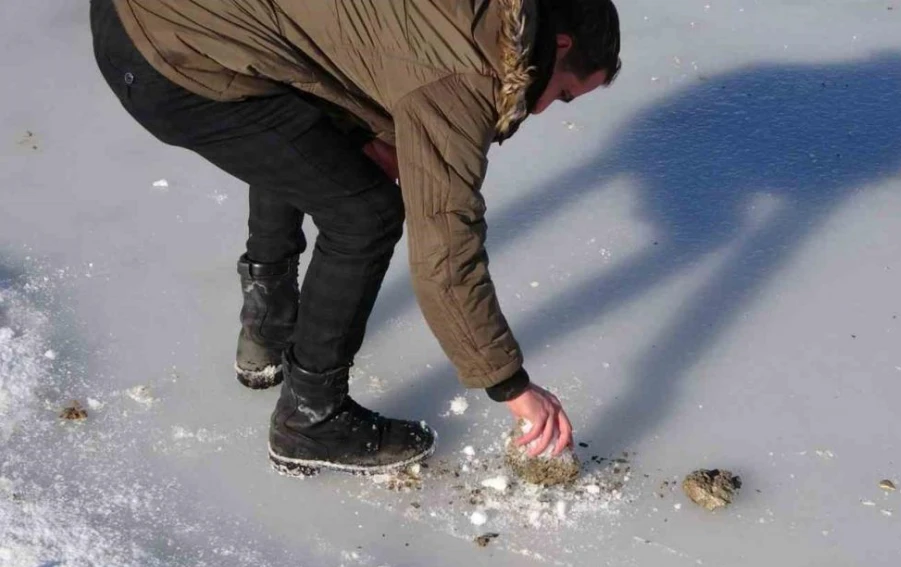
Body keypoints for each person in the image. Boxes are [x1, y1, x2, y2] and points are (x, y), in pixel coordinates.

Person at [89, 0, 621, 476]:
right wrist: (511, 385)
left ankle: (267, 329)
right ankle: (311, 420)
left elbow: (371, 38)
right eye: (565, 94)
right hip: (172, 61)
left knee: (312, 142)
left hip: (148, 16)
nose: (547, 108)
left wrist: (379, 134)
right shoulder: (469, 73)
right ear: (559, 45)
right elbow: (445, 257)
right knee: (364, 214)